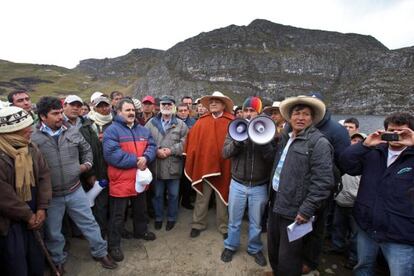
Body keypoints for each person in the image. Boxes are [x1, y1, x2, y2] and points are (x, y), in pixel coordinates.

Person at [31, 97, 117, 274]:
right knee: (54, 231)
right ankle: (58, 260)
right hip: (51, 195)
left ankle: (100, 252)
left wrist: (86, 165)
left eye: (60, 112)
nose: (60, 116)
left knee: (89, 223)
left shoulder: (71, 131)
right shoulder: (33, 137)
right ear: (42, 116)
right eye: (55, 114)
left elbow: (86, 149)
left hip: (75, 189)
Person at [340, 112, 414, 276]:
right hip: (368, 227)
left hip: (401, 233)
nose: (395, 136)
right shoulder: (375, 152)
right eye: (391, 131)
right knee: (363, 268)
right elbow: (346, 164)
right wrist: (365, 145)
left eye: (401, 132)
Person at [267, 95, 334, 276]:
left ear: (312, 119)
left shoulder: (319, 143)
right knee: (273, 248)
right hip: (276, 202)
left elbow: (323, 182)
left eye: (306, 114)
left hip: (294, 210)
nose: (300, 118)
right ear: (290, 117)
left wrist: (306, 210)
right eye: (297, 113)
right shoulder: (286, 137)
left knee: (289, 257)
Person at [221, 96, 274, 267]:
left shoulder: (268, 131)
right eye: (246, 110)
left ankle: (254, 248)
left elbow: (272, 159)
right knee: (234, 220)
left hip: (259, 185)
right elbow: (225, 153)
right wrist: (238, 142)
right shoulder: (235, 128)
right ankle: (230, 245)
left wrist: (263, 142)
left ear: (259, 113)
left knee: (256, 222)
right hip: (237, 183)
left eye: (253, 111)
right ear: (242, 112)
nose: (249, 114)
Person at [301, 92, 350, 274]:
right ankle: (297, 254)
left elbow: (343, 162)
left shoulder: (337, 131)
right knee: (300, 223)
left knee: (317, 226)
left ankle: (311, 261)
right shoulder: (300, 127)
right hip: (299, 187)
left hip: (322, 189)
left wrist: (326, 179)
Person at [0, 106, 52, 276]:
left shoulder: (32, 148)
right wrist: (27, 215)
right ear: (11, 132)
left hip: (35, 213)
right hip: (10, 222)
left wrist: (42, 208)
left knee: (36, 258)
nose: (31, 130)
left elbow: (44, 176)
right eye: (25, 129)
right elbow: (3, 195)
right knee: (16, 263)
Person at [103, 98, 157, 262]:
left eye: (133, 110)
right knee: (118, 216)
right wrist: (137, 160)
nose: (131, 113)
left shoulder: (142, 130)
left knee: (141, 209)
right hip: (121, 181)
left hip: (139, 180)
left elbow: (152, 146)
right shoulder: (112, 131)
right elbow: (112, 155)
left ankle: (140, 231)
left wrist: (146, 157)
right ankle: (114, 245)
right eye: (127, 110)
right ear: (119, 112)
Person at [184, 91, 234, 239]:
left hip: (225, 166)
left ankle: (223, 226)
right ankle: (198, 224)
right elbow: (192, 141)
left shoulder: (231, 121)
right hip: (204, 166)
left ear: (223, 105)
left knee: (223, 197)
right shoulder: (201, 121)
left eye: (216, 102)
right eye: (211, 102)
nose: (212, 104)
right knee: (201, 197)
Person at [146, 95, 188, 231]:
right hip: (156, 167)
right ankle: (158, 218)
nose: (166, 107)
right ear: (160, 106)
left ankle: (171, 218)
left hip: (173, 166)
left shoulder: (181, 124)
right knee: (157, 194)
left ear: (173, 106)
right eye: (164, 104)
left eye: (169, 104)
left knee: (174, 195)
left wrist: (170, 151)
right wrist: (156, 150)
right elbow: (145, 141)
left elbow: (186, 143)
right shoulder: (151, 123)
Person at [327, 132, 367, 270]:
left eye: (359, 141)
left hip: (356, 204)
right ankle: (337, 246)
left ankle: (353, 257)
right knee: (338, 226)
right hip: (340, 200)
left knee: (356, 234)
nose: (355, 142)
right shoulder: (345, 158)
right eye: (353, 140)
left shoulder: (366, 161)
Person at [176, 103, 197, 209]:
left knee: (187, 179)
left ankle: (186, 201)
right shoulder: (173, 122)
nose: (183, 112)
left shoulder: (194, 123)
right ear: (177, 112)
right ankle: (175, 201)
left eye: (185, 110)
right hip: (176, 155)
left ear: (189, 111)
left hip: (188, 155)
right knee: (176, 180)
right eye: (180, 110)